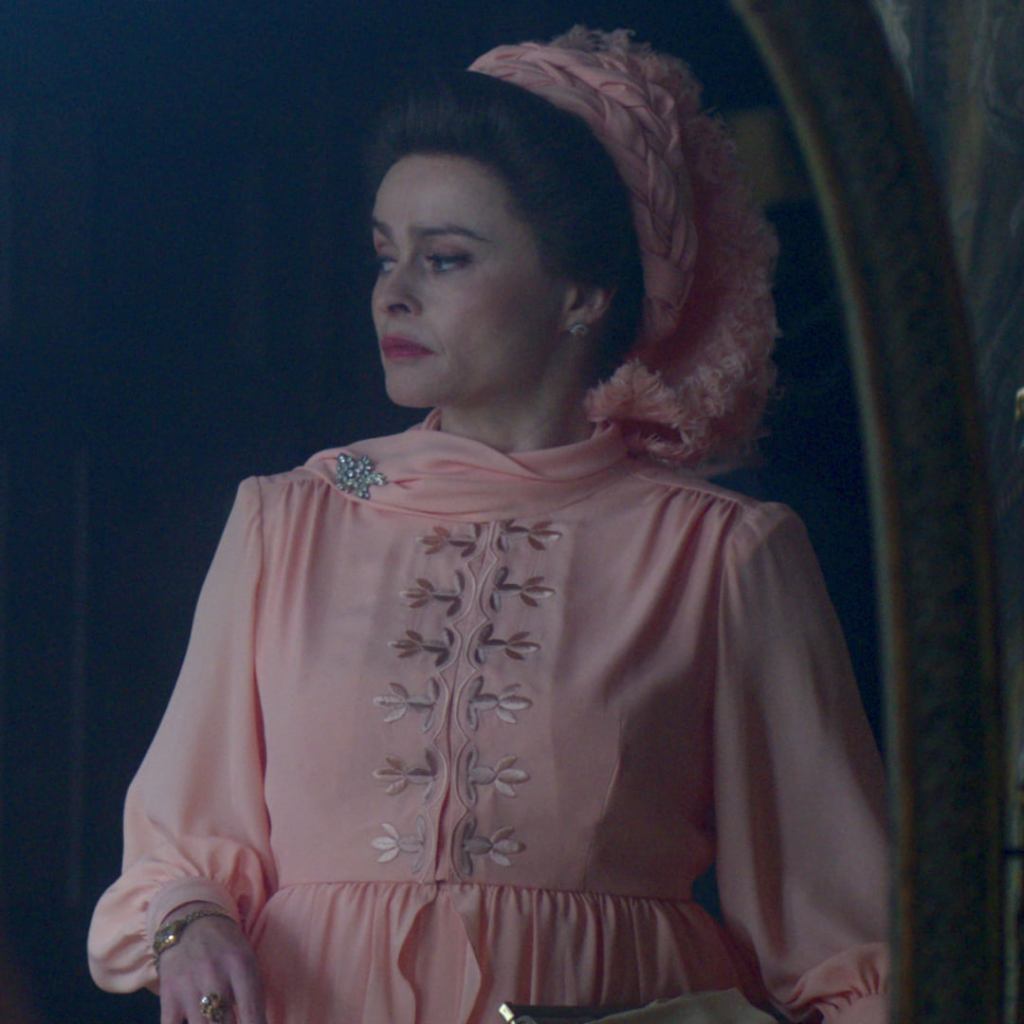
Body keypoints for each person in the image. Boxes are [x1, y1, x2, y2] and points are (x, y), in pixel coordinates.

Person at [87, 27, 888, 1024]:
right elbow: (180, 843)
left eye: (446, 258)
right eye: (385, 255)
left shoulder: (718, 552)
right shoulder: (291, 516)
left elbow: (844, 941)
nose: (393, 292)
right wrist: (190, 923)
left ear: (581, 295)